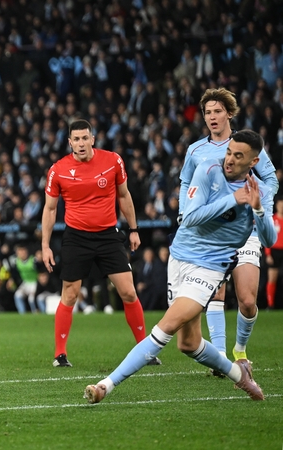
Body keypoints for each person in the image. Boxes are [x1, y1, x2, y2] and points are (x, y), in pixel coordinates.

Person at [85, 129, 272, 404]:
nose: (229, 159)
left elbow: (269, 238)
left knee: (165, 327)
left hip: (209, 267)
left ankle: (106, 385)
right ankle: (238, 374)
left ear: (253, 162)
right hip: (180, 258)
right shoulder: (208, 170)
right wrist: (233, 199)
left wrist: (257, 208)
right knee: (189, 344)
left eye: (238, 156)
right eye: (229, 151)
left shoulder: (261, 191)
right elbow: (191, 217)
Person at [41, 119, 157, 367]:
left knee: (128, 291)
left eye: (85, 138)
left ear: (92, 139)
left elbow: (124, 195)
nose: (81, 143)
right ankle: (60, 354)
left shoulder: (112, 161)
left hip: (108, 235)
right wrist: (45, 245)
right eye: (76, 139)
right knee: (70, 294)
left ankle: (143, 350)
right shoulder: (58, 170)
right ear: (69, 142)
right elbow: (50, 210)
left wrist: (134, 229)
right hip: (76, 237)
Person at [178, 88, 278, 372]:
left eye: (217, 111)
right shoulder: (196, 150)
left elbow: (270, 178)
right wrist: (184, 211)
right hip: (212, 232)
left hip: (245, 230)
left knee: (247, 301)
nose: (212, 116)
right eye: (208, 112)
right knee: (216, 294)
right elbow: (186, 183)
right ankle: (220, 357)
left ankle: (240, 349)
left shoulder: (246, 144)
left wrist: (260, 204)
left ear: (229, 114)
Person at [264, 198, 283, 310]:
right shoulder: (272, 219)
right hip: (274, 252)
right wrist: (268, 254)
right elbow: (267, 237)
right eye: (280, 204)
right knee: (272, 278)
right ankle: (270, 304)